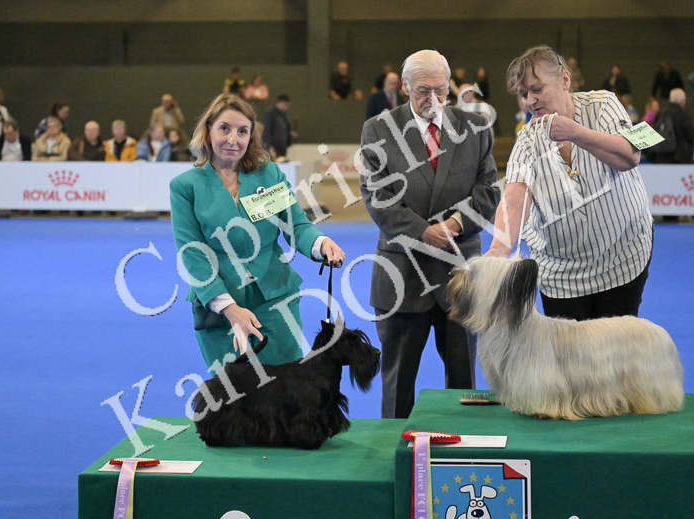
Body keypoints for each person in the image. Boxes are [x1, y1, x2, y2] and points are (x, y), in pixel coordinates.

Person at [358, 49, 500, 419]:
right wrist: (424, 232)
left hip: (460, 277)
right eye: (423, 91)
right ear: (404, 87)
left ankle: (466, 445)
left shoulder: (475, 128)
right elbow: (377, 198)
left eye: (441, 90)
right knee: (397, 391)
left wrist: (455, 224)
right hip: (402, 276)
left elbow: (488, 191)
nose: (433, 100)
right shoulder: (378, 130)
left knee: (464, 388)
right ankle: (395, 449)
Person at [169, 94, 345, 369]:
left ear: (251, 136)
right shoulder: (184, 186)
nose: (233, 139)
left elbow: (296, 225)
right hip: (220, 307)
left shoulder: (269, 174)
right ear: (208, 130)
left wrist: (321, 243)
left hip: (277, 299)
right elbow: (192, 253)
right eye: (224, 128)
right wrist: (230, 309)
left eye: (243, 131)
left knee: (286, 386)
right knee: (232, 392)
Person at [486, 44, 653, 324]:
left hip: (623, 256)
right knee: (567, 353)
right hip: (561, 276)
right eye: (524, 94)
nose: (530, 101)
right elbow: (514, 200)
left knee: (614, 350)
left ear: (565, 79)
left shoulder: (604, 104)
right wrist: (498, 249)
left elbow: (630, 157)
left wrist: (575, 132)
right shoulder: (527, 140)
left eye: (537, 89)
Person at [649, 88, 694, 164]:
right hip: (680, 158)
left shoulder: (660, 114)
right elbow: (692, 134)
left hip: (661, 157)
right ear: (682, 101)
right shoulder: (683, 115)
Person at [261, 94, 296, 160]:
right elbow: (267, 131)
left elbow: (283, 130)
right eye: (285, 105)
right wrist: (269, 146)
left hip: (282, 147)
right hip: (273, 148)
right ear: (280, 102)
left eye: (287, 106)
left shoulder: (284, 116)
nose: (286, 108)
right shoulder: (271, 113)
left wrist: (289, 134)